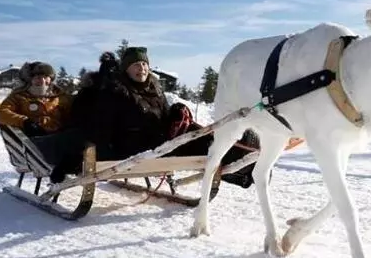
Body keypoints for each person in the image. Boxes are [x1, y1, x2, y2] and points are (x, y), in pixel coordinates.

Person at [87, 46, 259, 187]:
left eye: (144, 64)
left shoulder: (154, 89)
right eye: (136, 65)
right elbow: (105, 126)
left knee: (206, 138)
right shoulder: (115, 92)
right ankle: (243, 171)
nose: (142, 69)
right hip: (135, 148)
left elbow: (162, 115)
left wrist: (176, 112)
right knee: (202, 145)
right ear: (126, 69)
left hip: (161, 142)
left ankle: (248, 167)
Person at [0, 61, 85, 181]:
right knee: (74, 138)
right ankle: (66, 167)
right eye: (37, 77)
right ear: (30, 79)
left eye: (45, 77)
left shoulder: (61, 97)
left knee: (81, 134)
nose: (41, 80)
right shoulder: (19, 96)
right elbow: (2, 113)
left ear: (50, 79)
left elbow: (79, 107)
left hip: (59, 139)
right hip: (34, 145)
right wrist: (24, 121)